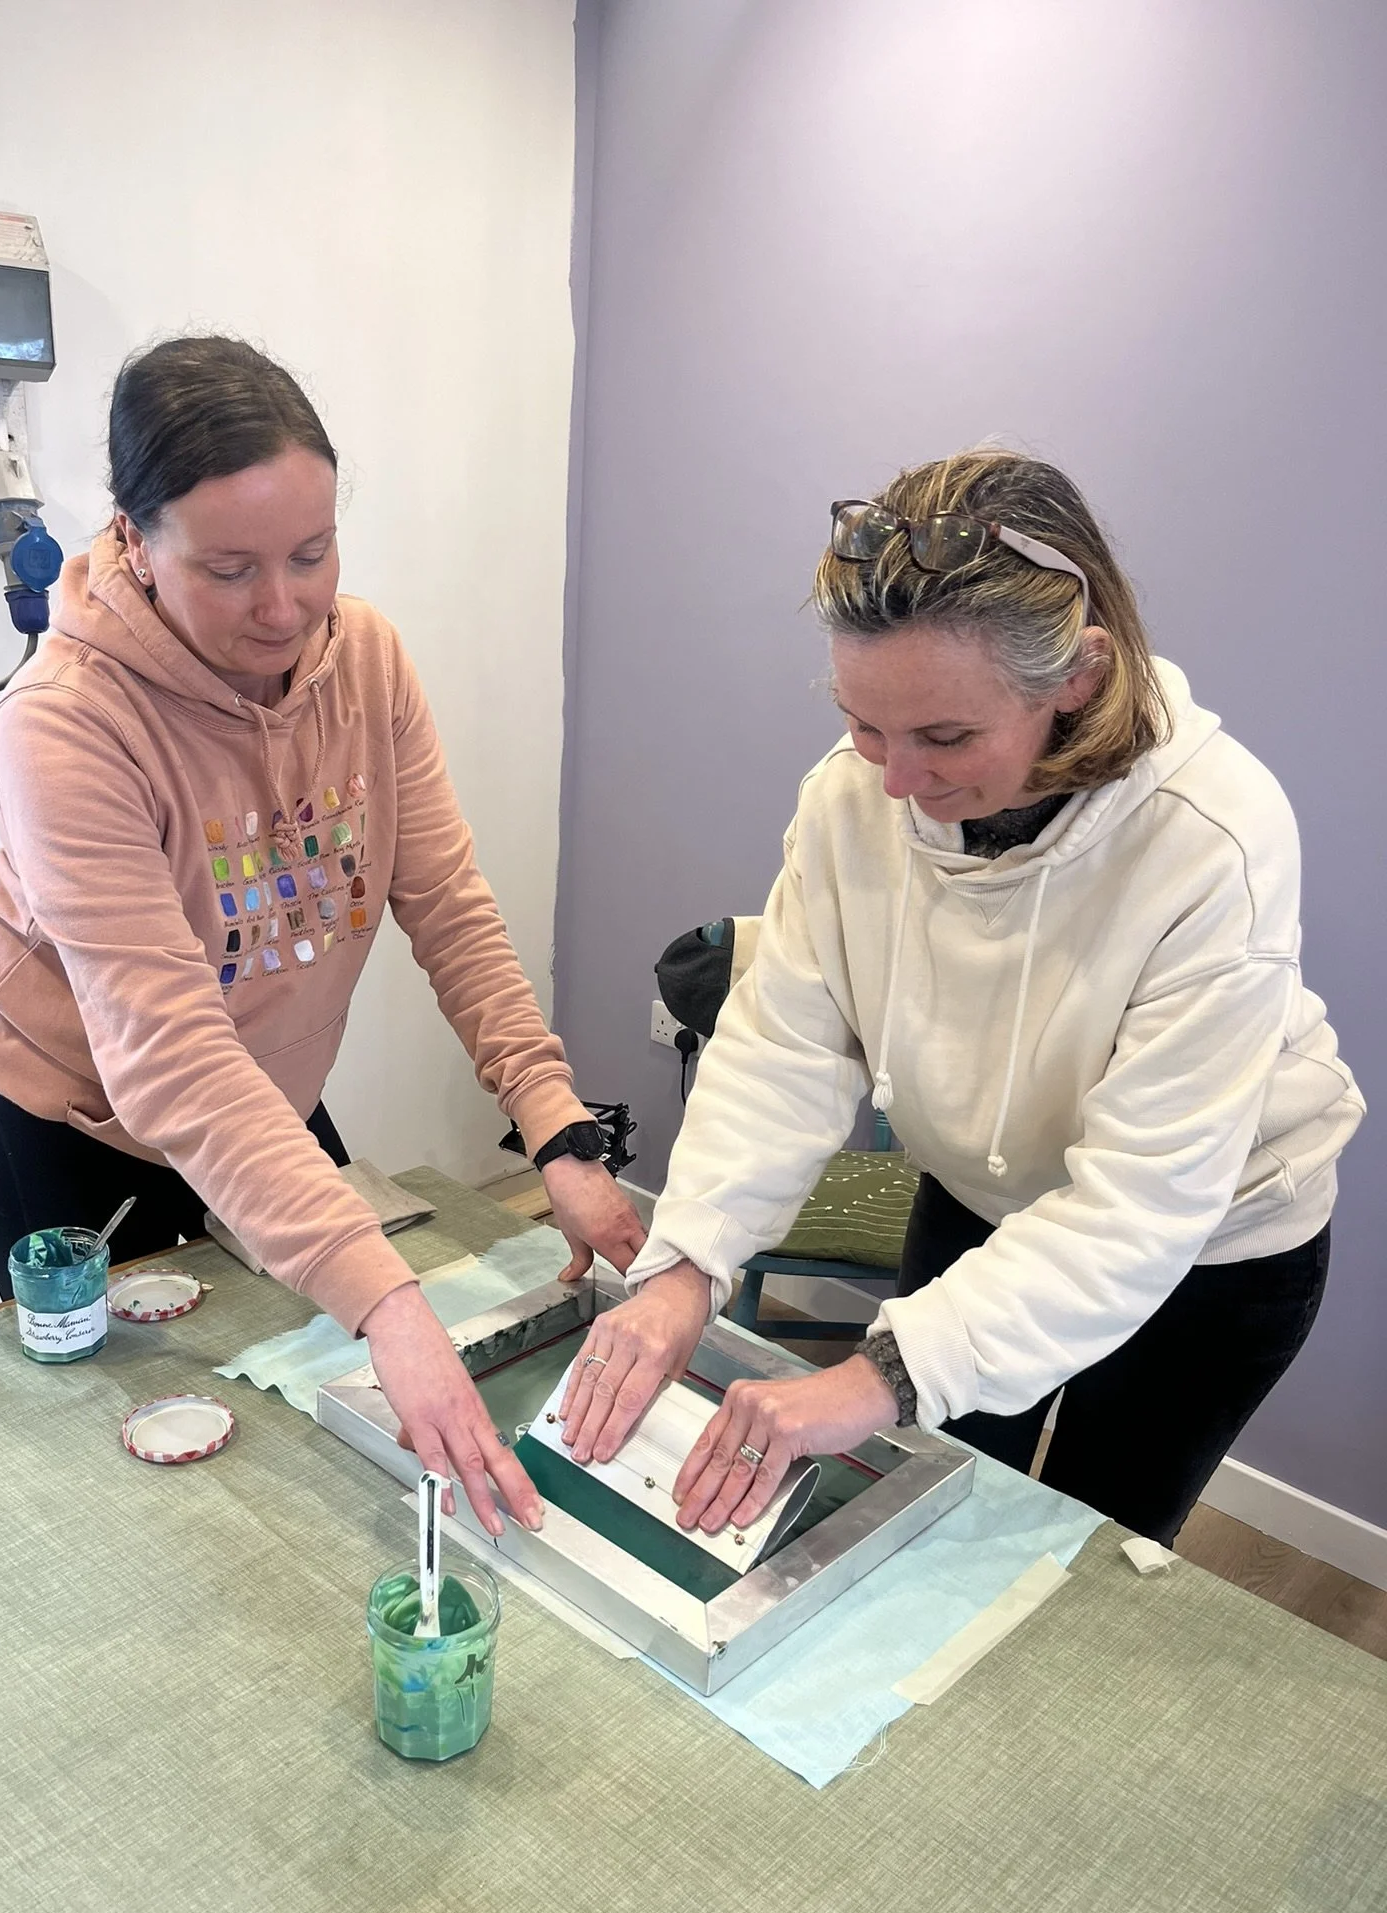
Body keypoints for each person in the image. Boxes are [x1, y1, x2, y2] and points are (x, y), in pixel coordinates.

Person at [558, 449, 1363, 1546]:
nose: (895, 779)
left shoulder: (1214, 838)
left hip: (1211, 1249)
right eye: (862, 722)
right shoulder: (854, 799)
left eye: (946, 736)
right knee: (922, 1512)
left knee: (1076, 1548)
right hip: (980, 1191)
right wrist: (689, 1259)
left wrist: (874, 1369)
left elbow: (1140, 1206)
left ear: (1078, 675)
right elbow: (786, 1046)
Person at [0, 335, 644, 1535]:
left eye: (311, 554)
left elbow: (452, 910)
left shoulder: (363, 658)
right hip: (71, 1127)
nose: (285, 605)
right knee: (173, 1474)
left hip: (265, 1090)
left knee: (318, 1406)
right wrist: (389, 1300)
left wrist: (560, 1133)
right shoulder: (65, 723)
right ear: (135, 539)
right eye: (229, 568)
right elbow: (168, 1055)